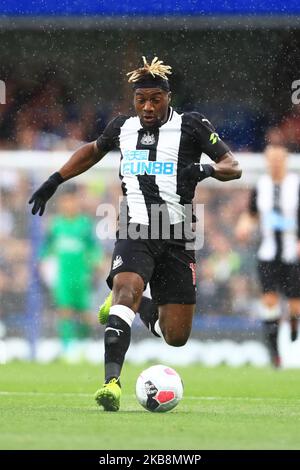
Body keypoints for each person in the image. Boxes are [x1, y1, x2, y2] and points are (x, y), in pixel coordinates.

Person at [29, 56, 241, 411]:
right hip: (135, 227)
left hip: (177, 234)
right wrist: (55, 180)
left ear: (167, 98)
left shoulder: (192, 126)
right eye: (141, 100)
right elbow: (92, 152)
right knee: (126, 286)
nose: (147, 107)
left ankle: (128, 303)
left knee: (175, 336)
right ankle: (111, 383)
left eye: (154, 99)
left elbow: (232, 167)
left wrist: (203, 169)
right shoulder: (122, 127)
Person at [235, 144, 300, 367]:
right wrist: (243, 226)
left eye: (278, 159)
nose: (274, 163)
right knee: (269, 301)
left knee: (294, 306)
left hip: (294, 253)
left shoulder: (296, 185)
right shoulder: (261, 186)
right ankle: (274, 354)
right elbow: (251, 214)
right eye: (270, 159)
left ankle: (293, 322)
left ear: (285, 160)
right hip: (268, 253)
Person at [40, 186, 102, 350]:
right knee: (65, 311)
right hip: (63, 276)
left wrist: (97, 262)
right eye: (66, 201)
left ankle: (84, 344)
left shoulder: (85, 224)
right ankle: (67, 349)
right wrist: (42, 262)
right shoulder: (55, 225)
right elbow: (46, 249)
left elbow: (93, 247)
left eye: (72, 200)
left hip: (82, 275)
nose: (69, 204)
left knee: (85, 314)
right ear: (61, 203)